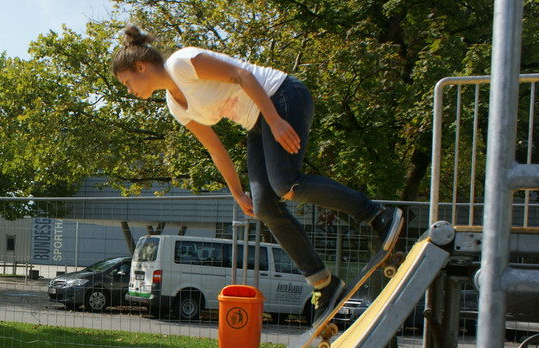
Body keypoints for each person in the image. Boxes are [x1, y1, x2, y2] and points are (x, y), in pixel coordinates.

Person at [111, 25, 402, 325]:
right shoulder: (175, 106)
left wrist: (275, 120)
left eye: (127, 82)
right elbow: (215, 149)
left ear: (141, 66)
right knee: (264, 206)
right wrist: (237, 193)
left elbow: (242, 76)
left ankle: (377, 214)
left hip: (282, 95)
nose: (129, 90)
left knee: (287, 183)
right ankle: (323, 283)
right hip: (256, 123)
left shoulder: (182, 63)